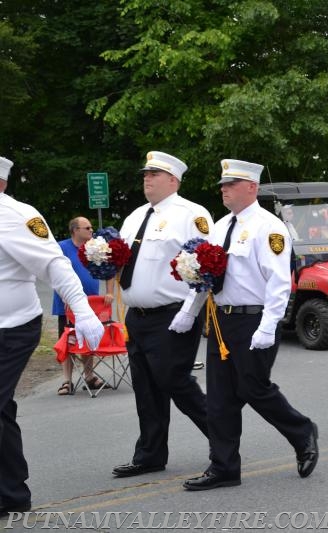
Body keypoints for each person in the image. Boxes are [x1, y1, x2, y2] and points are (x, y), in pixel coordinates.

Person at [172, 159, 318, 490]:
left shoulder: (270, 227)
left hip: (254, 318)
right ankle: (223, 467)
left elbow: (279, 282)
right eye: (223, 185)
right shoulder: (220, 226)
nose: (224, 189)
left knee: (253, 388)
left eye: (231, 184)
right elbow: (206, 277)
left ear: (251, 187)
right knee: (221, 397)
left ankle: (302, 431)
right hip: (221, 321)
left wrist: (269, 326)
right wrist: (189, 310)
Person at [0, 156, 103, 517]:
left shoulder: (15, 216)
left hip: (12, 327)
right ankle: (10, 492)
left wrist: (84, 310)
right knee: (2, 408)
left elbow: (53, 263)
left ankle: (12, 492)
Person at [111, 151, 212, 479]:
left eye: (154, 174)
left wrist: (190, 312)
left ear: (174, 180)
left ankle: (223, 440)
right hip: (137, 315)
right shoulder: (134, 217)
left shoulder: (191, 214)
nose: (147, 178)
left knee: (175, 381)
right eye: (145, 173)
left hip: (173, 315)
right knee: (146, 388)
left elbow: (205, 266)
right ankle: (150, 454)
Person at [53, 216, 114, 395]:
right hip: (67, 304)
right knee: (69, 340)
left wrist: (109, 292)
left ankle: (89, 376)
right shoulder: (61, 247)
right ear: (75, 230)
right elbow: (53, 271)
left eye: (91, 227)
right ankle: (67, 381)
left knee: (89, 337)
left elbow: (110, 269)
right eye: (87, 228)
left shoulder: (94, 247)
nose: (91, 231)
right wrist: (64, 295)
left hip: (91, 302)